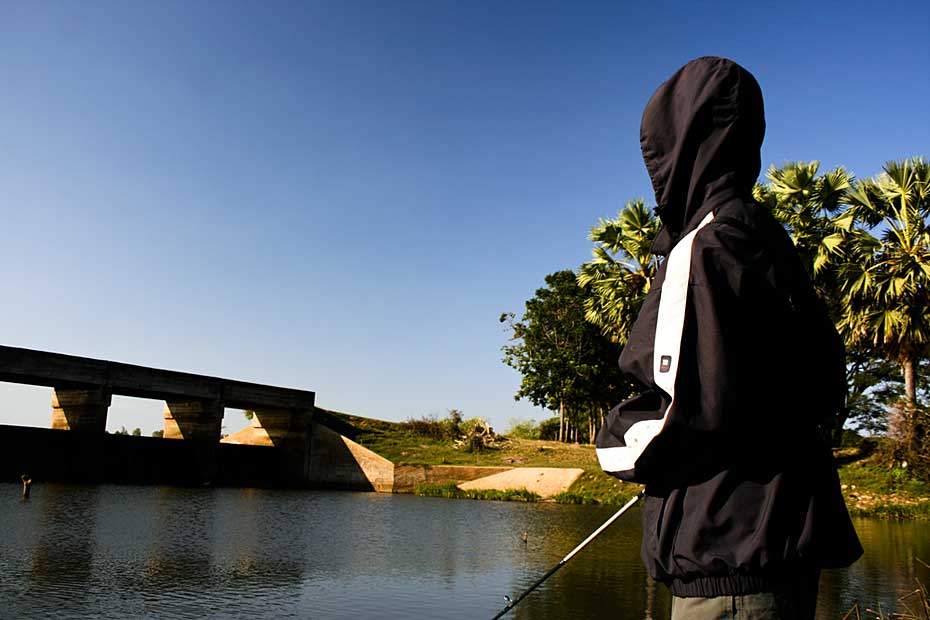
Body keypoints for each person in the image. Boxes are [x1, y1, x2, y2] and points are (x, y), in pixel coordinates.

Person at [595, 56, 862, 620]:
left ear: (677, 141)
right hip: (781, 547)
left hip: (729, 563)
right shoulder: (768, 239)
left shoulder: (707, 246)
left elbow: (679, 409)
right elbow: (822, 385)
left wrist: (613, 444)